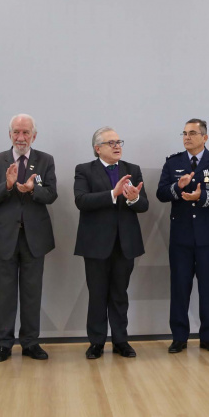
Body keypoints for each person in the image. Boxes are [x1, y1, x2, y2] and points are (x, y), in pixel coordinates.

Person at [0, 114, 58, 362]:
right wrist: (6, 185)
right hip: (5, 237)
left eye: (26, 132)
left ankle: (30, 343)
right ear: (10, 135)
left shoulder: (45, 161)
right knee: (3, 294)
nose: (21, 137)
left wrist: (33, 189)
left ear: (34, 136)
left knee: (31, 292)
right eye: (16, 132)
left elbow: (51, 195)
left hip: (35, 238)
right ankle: (3, 344)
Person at [74, 127, 148, 359]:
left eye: (119, 142)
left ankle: (120, 341)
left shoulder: (132, 169)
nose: (117, 146)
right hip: (96, 244)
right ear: (98, 149)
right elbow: (81, 200)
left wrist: (134, 197)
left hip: (125, 243)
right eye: (111, 143)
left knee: (119, 294)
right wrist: (113, 194)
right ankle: (96, 342)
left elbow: (143, 205)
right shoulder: (84, 170)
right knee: (97, 295)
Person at [156, 118, 209, 353]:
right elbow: (160, 193)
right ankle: (179, 337)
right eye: (184, 133)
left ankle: (208, 337)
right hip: (181, 238)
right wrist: (179, 187)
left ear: (205, 137)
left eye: (192, 133)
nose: (187, 137)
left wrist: (201, 198)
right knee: (179, 288)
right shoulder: (173, 162)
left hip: (208, 238)